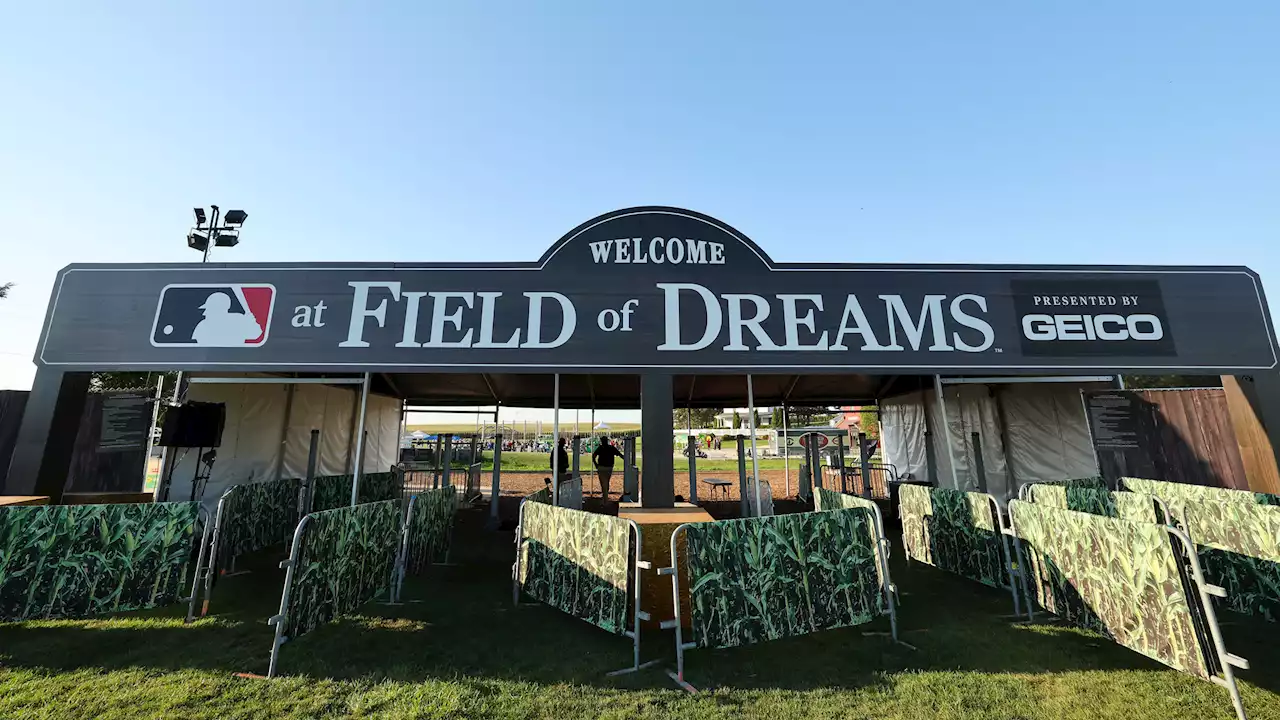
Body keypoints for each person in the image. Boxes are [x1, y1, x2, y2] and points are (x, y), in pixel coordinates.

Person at [592, 435, 624, 500]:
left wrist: (596, 464)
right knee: (606, 481)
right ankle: (605, 496)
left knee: (603, 482)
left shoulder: (600, 448)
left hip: (601, 467)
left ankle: (605, 496)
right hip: (609, 467)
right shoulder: (611, 448)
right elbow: (620, 455)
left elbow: (593, 456)